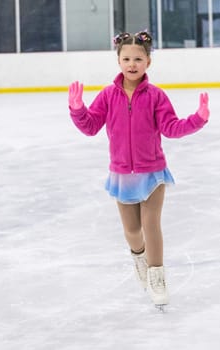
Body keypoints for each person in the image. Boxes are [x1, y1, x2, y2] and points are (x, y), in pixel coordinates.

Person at [68, 31, 209, 307]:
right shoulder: (108, 96)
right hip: (122, 173)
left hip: (152, 171)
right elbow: (90, 126)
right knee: (133, 231)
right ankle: (140, 258)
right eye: (126, 59)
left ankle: (157, 275)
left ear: (148, 62)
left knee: (150, 223)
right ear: (119, 61)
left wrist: (197, 119)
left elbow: (171, 127)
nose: (132, 64)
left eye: (138, 59)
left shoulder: (156, 96)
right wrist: (77, 109)